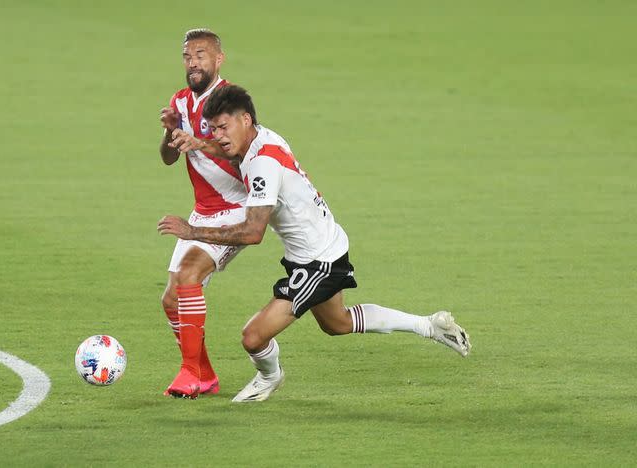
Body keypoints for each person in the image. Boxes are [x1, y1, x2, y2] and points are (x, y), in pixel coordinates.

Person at [158, 85, 472, 402]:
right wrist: (200, 143)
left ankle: (269, 376)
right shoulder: (265, 138)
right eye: (212, 129)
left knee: (253, 337)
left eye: (223, 128)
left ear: (246, 120)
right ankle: (429, 325)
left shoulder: (262, 165)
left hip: (316, 262)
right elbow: (228, 150)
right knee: (338, 323)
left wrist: (192, 231)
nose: (219, 136)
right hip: (325, 244)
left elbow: (253, 233)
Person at [158, 29, 247, 399]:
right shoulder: (180, 102)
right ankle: (205, 375)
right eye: (187, 56)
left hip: (235, 211)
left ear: (218, 59)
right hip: (202, 213)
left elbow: (242, 150)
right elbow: (167, 158)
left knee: (190, 274)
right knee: (170, 300)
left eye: (201, 54)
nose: (193, 62)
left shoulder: (229, 101)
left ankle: (189, 373)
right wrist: (171, 134)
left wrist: (199, 142)